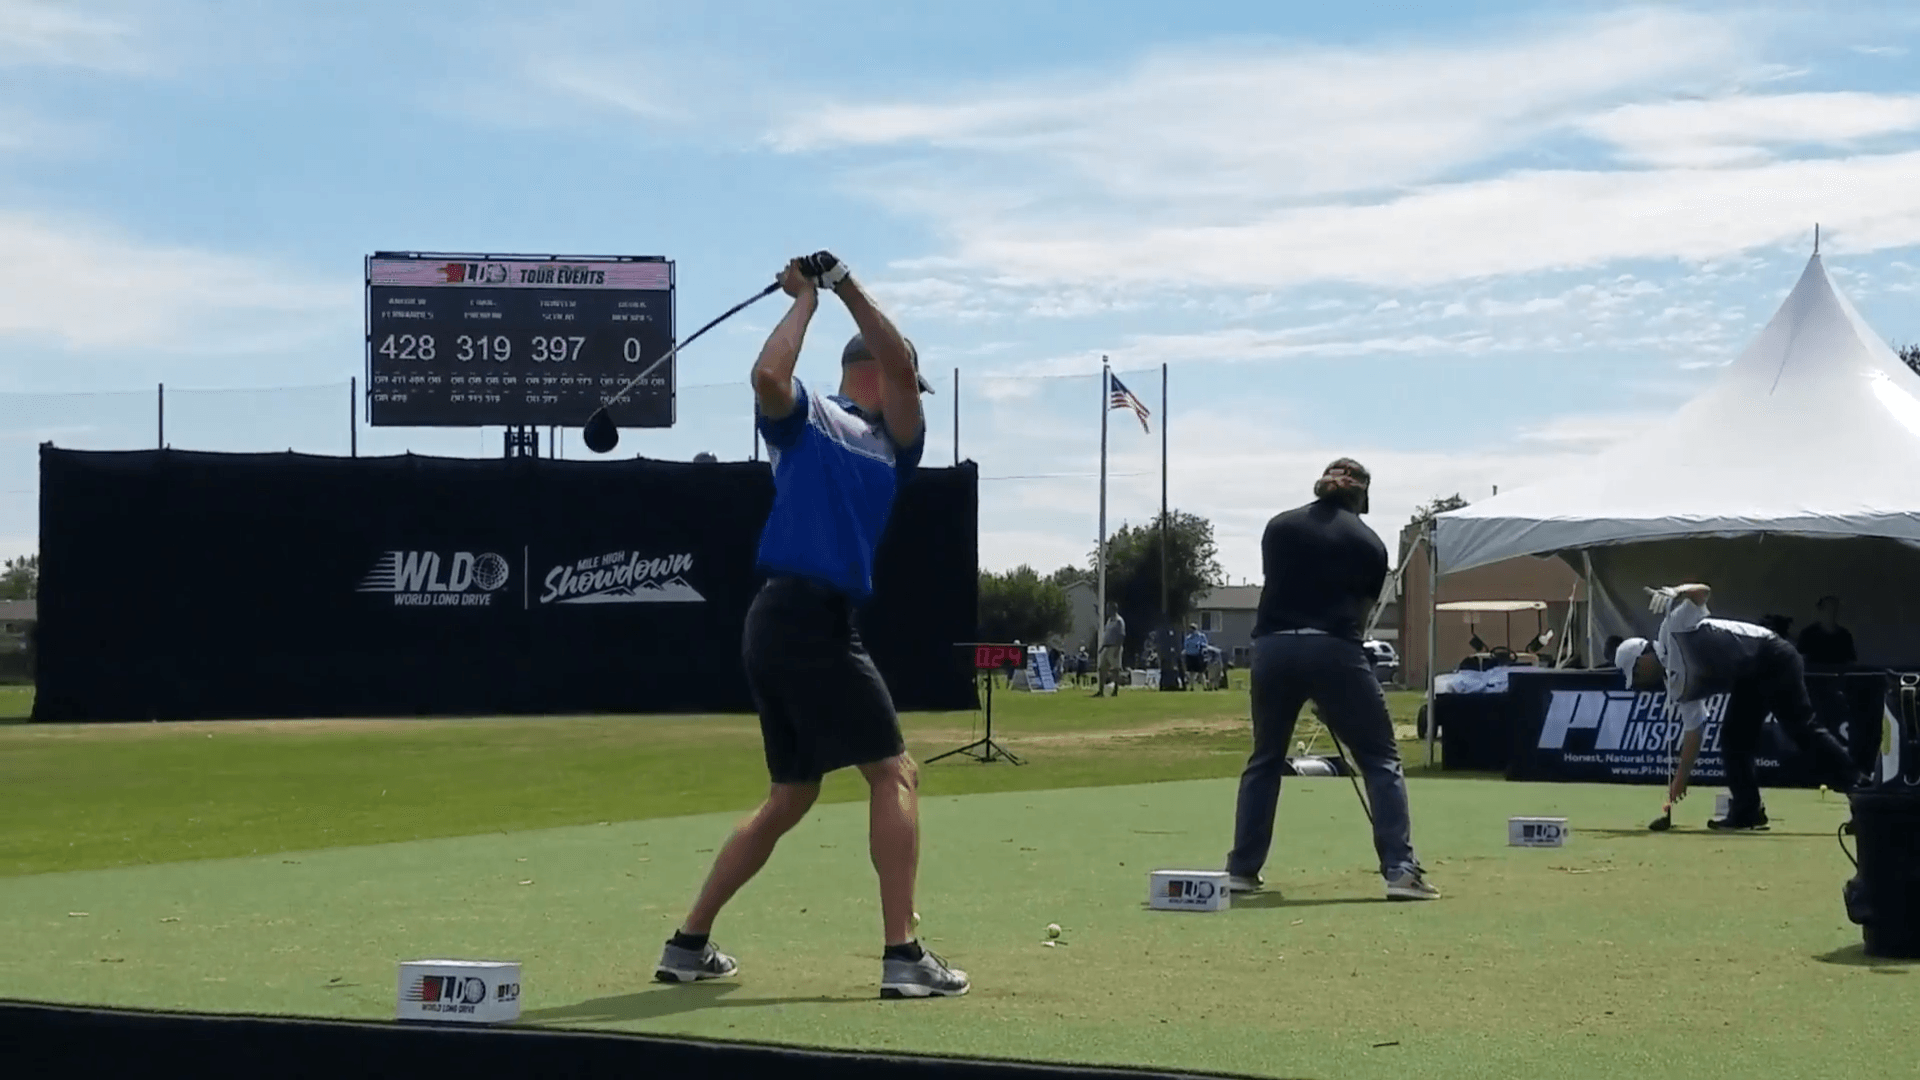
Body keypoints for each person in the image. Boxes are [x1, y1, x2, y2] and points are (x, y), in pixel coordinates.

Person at [653, 252, 968, 999]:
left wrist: (846, 283)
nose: (908, 392)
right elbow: (768, 378)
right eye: (904, 382)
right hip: (800, 618)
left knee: (791, 795)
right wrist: (805, 301)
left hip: (790, 623)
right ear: (879, 379)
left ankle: (687, 943)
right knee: (894, 771)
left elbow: (888, 353)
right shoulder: (805, 419)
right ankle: (904, 956)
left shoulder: (900, 444)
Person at [1224, 458, 1439, 901]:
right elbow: (1357, 619)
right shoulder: (1370, 544)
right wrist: (1331, 690)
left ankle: (1242, 870)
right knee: (1380, 759)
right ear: (1360, 495)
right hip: (1333, 648)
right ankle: (1400, 870)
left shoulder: (1278, 527)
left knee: (1265, 758)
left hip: (1273, 648)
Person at [1618, 582, 1869, 831]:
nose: (1639, 681)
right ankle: (1748, 811)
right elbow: (1694, 730)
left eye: (1636, 672)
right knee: (1734, 739)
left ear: (1643, 657)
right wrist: (1679, 783)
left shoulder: (1672, 629)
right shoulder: (1676, 687)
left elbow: (1703, 593)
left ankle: (1862, 793)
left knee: (1802, 730)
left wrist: (1678, 591)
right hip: (1748, 677)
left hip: (1772, 656)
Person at [1796, 595, 1857, 668]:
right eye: (1828, 609)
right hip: (1814, 677)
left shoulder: (1845, 635)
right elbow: (1799, 660)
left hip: (1838, 678)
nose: (1832, 613)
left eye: (1835, 609)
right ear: (1821, 611)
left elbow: (1851, 662)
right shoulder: (1808, 634)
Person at [1093, 603, 1125, 697]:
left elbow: (1121, 635)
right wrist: (1102, 647)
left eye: (1109, 609)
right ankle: (1101, 691)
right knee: (1102, 668)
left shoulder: (1119, 621)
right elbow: (1107, 635)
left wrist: (1118, 648)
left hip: (1115, 647)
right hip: (1106, 647)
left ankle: (1115, 690)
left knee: (1115, 670)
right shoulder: (1109, 621)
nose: (1107, 611)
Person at [1183, 623, 1210, 691]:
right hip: (1190, 656)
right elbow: (1186, 646)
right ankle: (1192, 687)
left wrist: (1200, 647)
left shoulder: (1201, 636)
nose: (1192, 630)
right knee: (1191, 673)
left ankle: (1205, 687)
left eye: (1193, 628)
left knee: (1201, 672)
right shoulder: (1188, 637)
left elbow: (1204, 645)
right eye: (1191, 628)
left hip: (1198, 656)